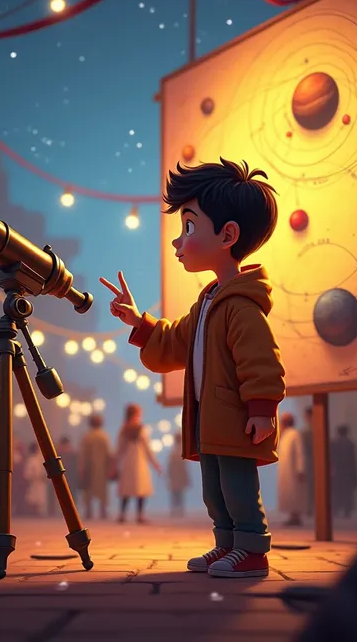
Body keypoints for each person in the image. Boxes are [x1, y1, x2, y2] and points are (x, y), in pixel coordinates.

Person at [100, 158, 285, 578]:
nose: (178, 242)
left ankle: (252, 550)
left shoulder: (240, 306)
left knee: (239, 489)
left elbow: (262, 360)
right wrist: (138, 322)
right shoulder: (207, 302)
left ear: (228, 234)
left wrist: (260, 408)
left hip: (235, 419)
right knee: (215, 492)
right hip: (210, 420)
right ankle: (227, 545)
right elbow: (175, 341)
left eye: (189, 226)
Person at [115, 404, 161, 524]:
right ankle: (139, 515)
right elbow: (147, 448)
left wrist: (115, 462)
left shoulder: (123, 429)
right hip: (139, 461)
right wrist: (155, 464)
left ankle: (123, 514)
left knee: (127, 489)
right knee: (140, 489)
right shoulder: (141, 429)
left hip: (127, 461)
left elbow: (119, 449)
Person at [79, 414, 113, 520]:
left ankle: (89, 511)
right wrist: (110, 467)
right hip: (102, 467)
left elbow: (82, 454)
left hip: (89, 467)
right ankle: (102, 511)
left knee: (88, 489)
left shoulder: (86, 436)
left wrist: (81, 467)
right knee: (102, 490)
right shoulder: (104, 436)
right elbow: (109, 453)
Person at [277, 412, 305, 526]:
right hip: (286, 471)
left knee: (295, 494)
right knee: (289, 493)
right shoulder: (285, 435)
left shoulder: (294, 434)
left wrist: (300, 469)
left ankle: (296, 516)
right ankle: (292, 516)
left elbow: (300, 453)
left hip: (293, 471)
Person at [331, 424, 357, 518]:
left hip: (337, 471)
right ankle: (347, 510)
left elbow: (332, 458)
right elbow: (353, 460)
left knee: (337, 491)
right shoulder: (351, 444)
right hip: (348, 471)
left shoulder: (334, 443)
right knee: (348, 492)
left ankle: (336, 509)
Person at [167, 432, 191, 517]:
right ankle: (180, 510)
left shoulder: (173, 451)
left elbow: (170, 466)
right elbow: (184, 466)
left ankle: (175, 510)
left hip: (175, 476)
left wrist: (169, 475)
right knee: (180, 494)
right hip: (180, 475)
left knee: (175, 494)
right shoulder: (182, 450)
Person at [24, 443, 47, 517]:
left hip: (40, 482)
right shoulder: (31, 460)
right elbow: (28, 473)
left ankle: (38, 513)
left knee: (40, 498)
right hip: (34, 482)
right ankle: (33, 513)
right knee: (33, 498)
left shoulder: (39, 459)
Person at [301, 406, 314, 517]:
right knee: (310, 486)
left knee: (312, 486)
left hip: (312, 461)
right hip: (310, 461)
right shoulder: (306, 431)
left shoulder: (308, 432)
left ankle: (312, 508)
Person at [58, 436, 79, 503]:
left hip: (70, 476)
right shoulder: (59, 453)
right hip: (65, 476)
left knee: (71, 492)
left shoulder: (72, 453)